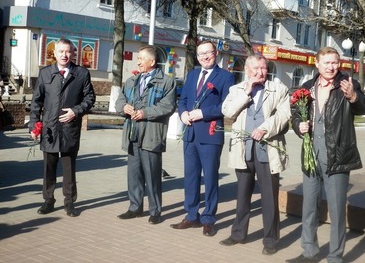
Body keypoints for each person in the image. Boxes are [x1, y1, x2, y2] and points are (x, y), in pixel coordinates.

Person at [287, 47, 365, 263]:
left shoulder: (347, 84)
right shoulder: (307, 87)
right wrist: (299, 126)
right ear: (317, 64)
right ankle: (309, 252)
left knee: (336, 211)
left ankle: (335, 256)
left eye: (334, 62)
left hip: (338, 154)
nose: (331, 67)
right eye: (326, 63)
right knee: (309, 207)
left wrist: (353, 96)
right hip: (311, 153)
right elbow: (295, 114)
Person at [220, 54, 290, 255]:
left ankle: (270, 240)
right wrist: (247, 92)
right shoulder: (236, 89)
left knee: (269, 198)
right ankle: (238, 233)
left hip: (267, 150)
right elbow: (228, 112)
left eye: (264, 68)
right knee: (242, 196)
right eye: (256, 69)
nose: (261, 72)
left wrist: (265, 128)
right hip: (243, 150)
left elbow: (284, 115)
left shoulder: (279, 89)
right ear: (247, 70)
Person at [170, 40, 235, 236]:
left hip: (210, 134)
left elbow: (226, 106)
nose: (205, 57)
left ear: (216, 53)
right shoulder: (192, 75)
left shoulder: (226, 77)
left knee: (210, 177)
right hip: (190, 134)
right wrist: (182, 114)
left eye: (208, 53)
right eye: (200, 54)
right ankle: (191, 215)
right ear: (197, 57)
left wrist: (202, 114)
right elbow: (183, 100)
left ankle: (208, 218)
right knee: (190, 177)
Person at [29, 38, 95, 217]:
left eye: (68, 51)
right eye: (61, 51)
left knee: (69, 168)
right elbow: (36, 101)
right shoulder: (45, 73)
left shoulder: (81, 73)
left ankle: (69, 202)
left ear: (73, 53)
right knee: (48, 168)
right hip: (49, 129)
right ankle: (48, 200)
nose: (65, 55)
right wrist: (34, 125)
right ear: (54, 53)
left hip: (69, 128)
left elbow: (89, 99)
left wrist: (76, 111)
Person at [115, 45, 176, 224]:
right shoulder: (131, 81)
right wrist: (123, 107)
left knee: (152, 175)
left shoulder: (166, 81)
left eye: (141, 58)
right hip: (133, 133)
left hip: (151, 134)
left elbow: (168, 106)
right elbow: (120, 100)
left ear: (152, 61)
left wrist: (145, 113)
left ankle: (155, 211)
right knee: (134, 174)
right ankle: (135, 207)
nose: (138, 61)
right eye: (138, 58)